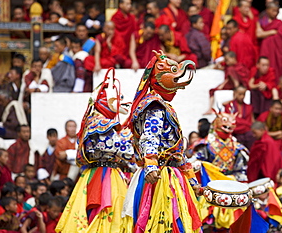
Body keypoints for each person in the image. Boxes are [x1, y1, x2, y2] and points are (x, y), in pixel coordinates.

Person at [121, 50, 202, 232]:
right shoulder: (155, 106)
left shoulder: (161, 105)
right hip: (159, 176)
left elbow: (176, 150)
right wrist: (151, 165)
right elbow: (150, 136)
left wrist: (193, 181)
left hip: (168, 173)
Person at [56, 67, 134, 232]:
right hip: (106, 177)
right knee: (107, 219)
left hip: (94, 174)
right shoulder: (101, 124)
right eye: (119, 98)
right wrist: (129, 135)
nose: (124, 102)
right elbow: (123, 150)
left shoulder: (91, 122)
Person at [256, 2, 282, 81]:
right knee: (264, 66)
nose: (275, 13)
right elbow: (259, 34)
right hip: (265, 49)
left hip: (277, 51)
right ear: (268, 10)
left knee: (277, 68)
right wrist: (272, 32)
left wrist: (265, 34)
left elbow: (281, 36)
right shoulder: (261, 21)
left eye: (277, 11)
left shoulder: (280, 23)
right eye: (273, 11)